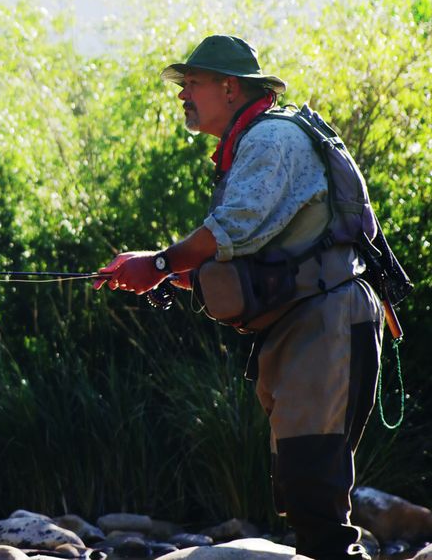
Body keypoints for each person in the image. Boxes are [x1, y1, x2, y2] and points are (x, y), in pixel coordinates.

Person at [94, 35, 383, 560]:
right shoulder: (256, 141)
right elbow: (255, 258)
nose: (183, 95)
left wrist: (158, 264)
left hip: (328, 324)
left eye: (192, 84)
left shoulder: (269, 140)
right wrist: (167, 273)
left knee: (313, 489)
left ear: (229, 88)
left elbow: (232, 226)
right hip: (312, 325)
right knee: (304, 488)